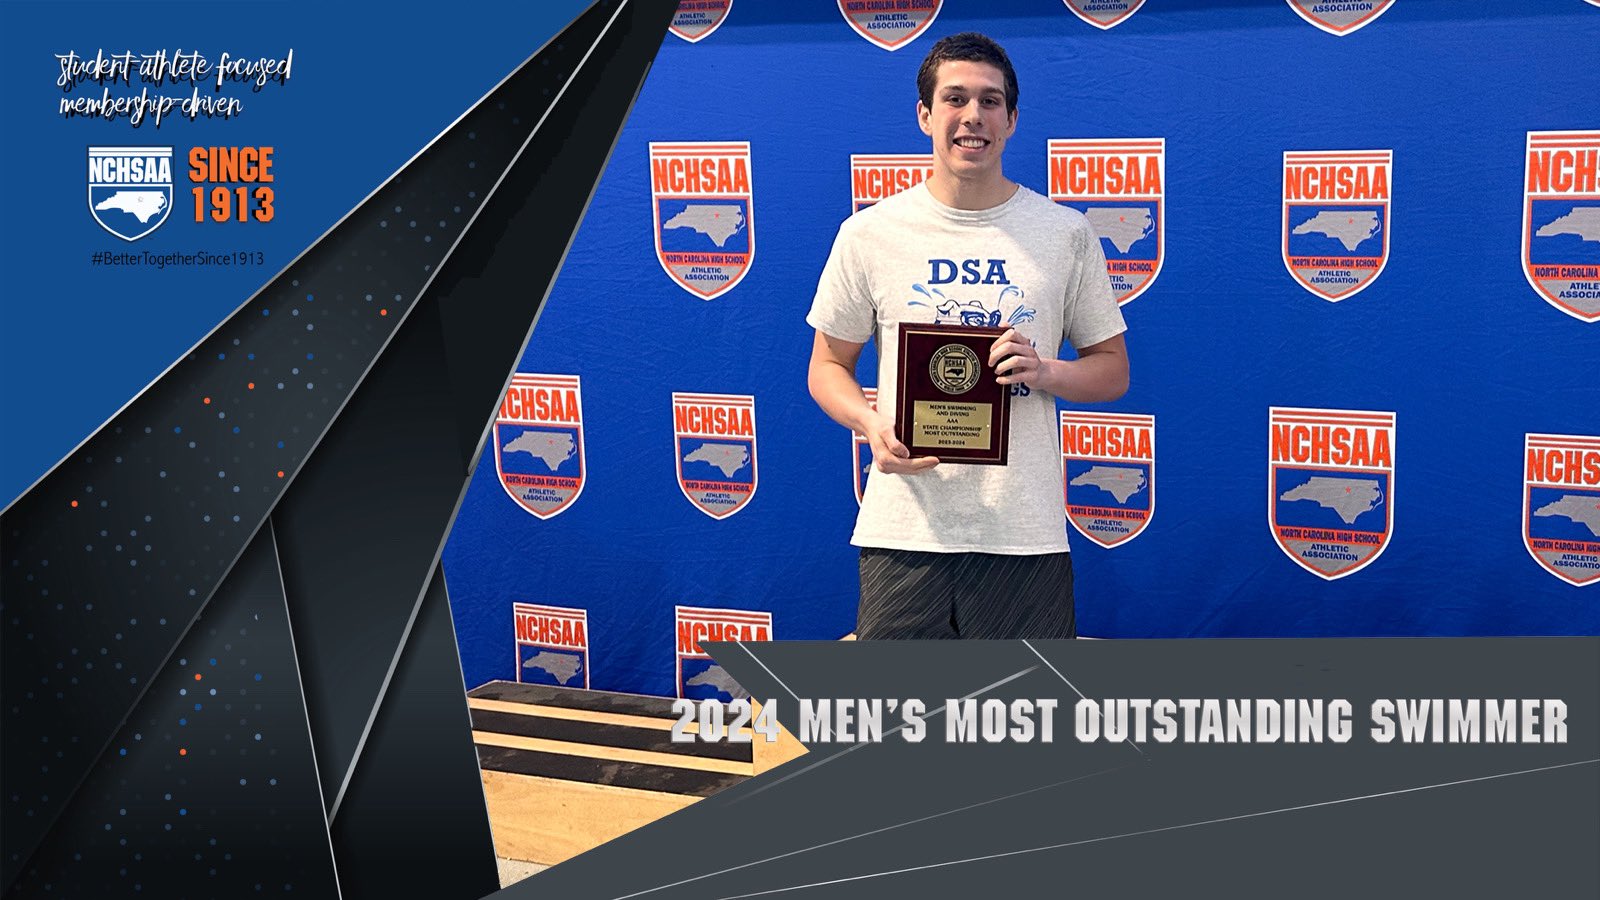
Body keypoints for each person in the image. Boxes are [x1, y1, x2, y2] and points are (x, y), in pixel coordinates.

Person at [805, 32, 1129, 640]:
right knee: (896, 703)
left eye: (990, 100)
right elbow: (826, 366)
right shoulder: (869, 233)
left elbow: (1112, 368)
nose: (973, 115)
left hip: (1023, 533)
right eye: (954, 99)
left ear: (1011, 119)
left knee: (1021, 704)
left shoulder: (1064, 233)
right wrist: (869, 423)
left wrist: (1047, 371)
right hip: (905, 528)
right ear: (925, 115)